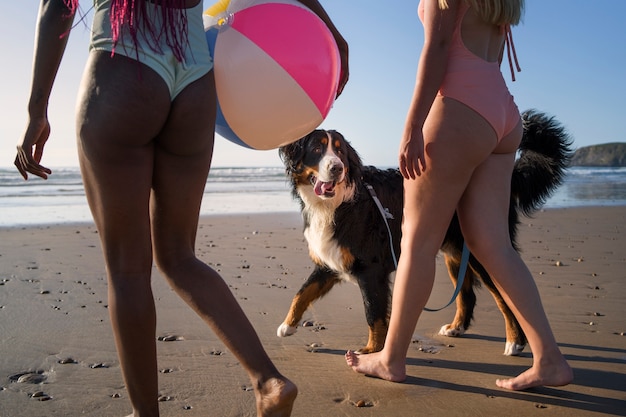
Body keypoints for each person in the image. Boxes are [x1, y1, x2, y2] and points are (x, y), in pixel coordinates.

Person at [15, 0, 349, 415]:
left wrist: (36, 110)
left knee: (127, 270)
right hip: (194, 84)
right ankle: (268, 381)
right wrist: (332, 33)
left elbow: (57, 8)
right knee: (178, 256)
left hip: (122, 69)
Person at [345, 0, 572, 391]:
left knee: (418, 241)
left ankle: (391, 358)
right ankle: (549, 359)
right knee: (494, 245)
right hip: (501, 113)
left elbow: (436, 51)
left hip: (459, 109)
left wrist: (412, 126)